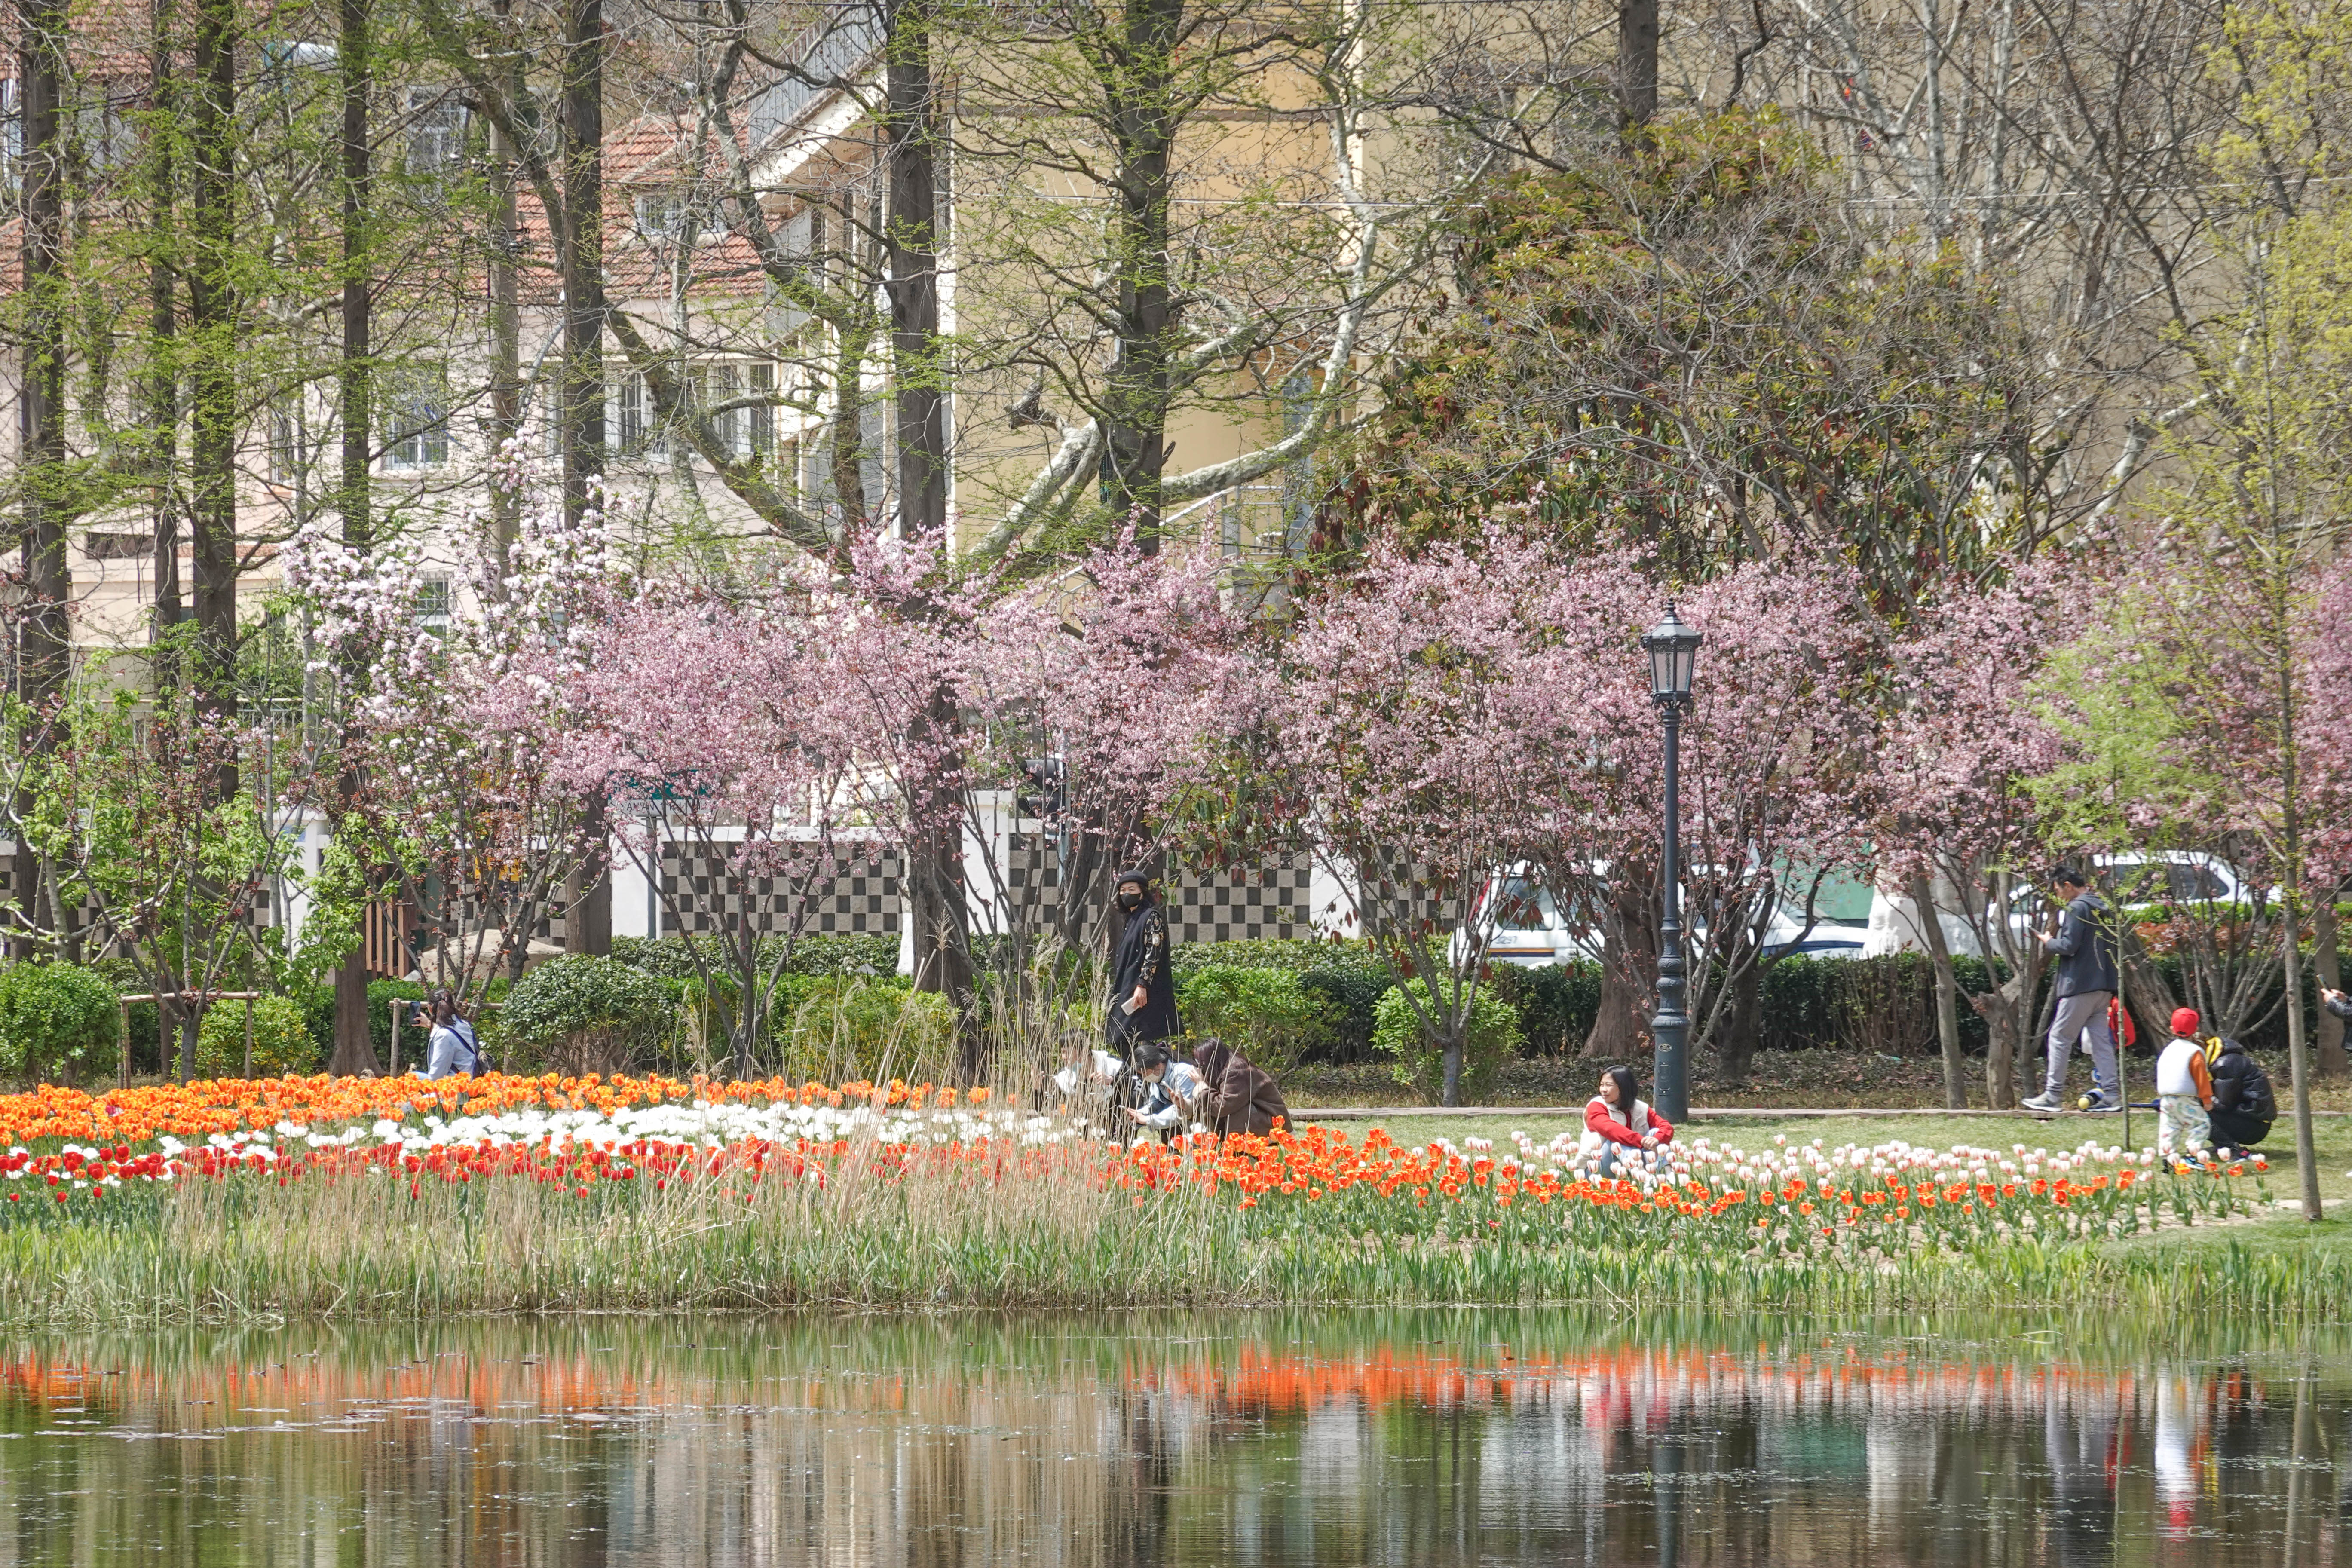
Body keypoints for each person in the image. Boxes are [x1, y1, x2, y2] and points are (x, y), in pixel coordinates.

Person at [2024, 864, 2122, 1114]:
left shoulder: (2076, 908)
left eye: (2058, 890)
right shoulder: (2102, 906)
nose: (2058, 896)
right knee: (2101, 1042)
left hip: (2080, 985)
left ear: (2068, 886)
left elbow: (2069, 946)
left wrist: (2049, 942)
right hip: (2104, 986)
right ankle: (2112, 1095)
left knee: (2060, 1037)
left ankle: (2053, 1096)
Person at [1106, 868, 1179, 1053]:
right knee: (1120, 1036)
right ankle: (1135, 1070)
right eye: (1123, 890)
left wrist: (1143, 984)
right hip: (1127, 984)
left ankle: (1145, 1068)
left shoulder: (1151, 916)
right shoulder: (1131, 919)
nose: (1126, 894)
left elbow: (1154, 951)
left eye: (1132, 890)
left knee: (1128, 1035)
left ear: (1142, 892)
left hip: (1139, 988)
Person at [1580, 1064, 1674, 1177]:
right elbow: (1611, 1130)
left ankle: (1669, 1176)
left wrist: (1656, 1139)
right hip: (1598, 1168)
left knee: (1655, 1133)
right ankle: (1644, 1178)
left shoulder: (1640, 1108)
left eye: (1608, 1085)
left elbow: (1666, 1127)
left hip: (1631, 1163)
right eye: (1602, 1085)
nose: (1603, 1090)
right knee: (1616, 1140)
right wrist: (1642, 1142)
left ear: (1624, 1087)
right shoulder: (1596, 1106)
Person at [1190, 1039, 1289, 1136]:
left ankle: (1238, 1143)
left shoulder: (1236, 1072)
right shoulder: (1219, 1071)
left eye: (1202, 1062)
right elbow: (1210, 1104)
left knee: (1235, 1112)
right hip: (1264, 1125)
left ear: (1213, 1059)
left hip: (1273, 1127)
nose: (1200, 1066)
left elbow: (1222, 1107)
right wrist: (1187, 1107)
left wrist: (1201, 1086)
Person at [2202, 1030, 2277, 1151]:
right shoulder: (2221, 1060)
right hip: (2251, 1120)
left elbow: (2224, 1105)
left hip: (2255, 1126)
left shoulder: (2225, 1064)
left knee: (2195, 1109)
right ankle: (2222, 1146)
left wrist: (2198, 1097)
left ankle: (2231, 1148)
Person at [2154, 1007, 2213, 1159]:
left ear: (2172, 1029)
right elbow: (2201, 1077)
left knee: (2170, 1128)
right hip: (2185, 1098)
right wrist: (2207, 1098)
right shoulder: (2195, 1052)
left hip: (2166, 1099)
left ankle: (2168, 1160)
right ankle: (2192, 1155)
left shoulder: (2168, 1050)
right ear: (2196, 1030)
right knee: (2201, 1124)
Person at [1124, 1044, 1207, 1136]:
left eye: (1145, 1073)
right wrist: (1140, 1113)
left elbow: (1183, 1111)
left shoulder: (1182, 1073)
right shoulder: (1157, 1076)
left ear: (1158, 1065)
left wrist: (1148, 1120)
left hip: (1195, 1127)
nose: (1144, 1077)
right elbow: (1156, 1103)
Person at [417, 989, 482, 1080]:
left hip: (454, 1085)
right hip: (470, 1080)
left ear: (430, 1008)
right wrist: (430, 1025)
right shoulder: (465, 1025)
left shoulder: (443, 1036)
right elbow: (450, 1031)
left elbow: (436, 1076)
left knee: (412, 1077)